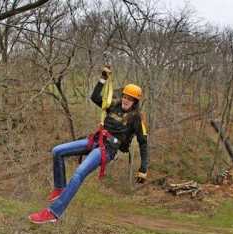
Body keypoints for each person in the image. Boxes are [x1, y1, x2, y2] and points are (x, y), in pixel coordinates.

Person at [29, 66, 149, 224]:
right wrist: (103, 79)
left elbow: (143, 143)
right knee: (57, 151)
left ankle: (53, 213)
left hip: (107, 150)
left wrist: (143, 169)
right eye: (126, 97)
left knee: (79, 173)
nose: (127, 100)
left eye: (131, 99)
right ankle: (59, 188)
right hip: (96, 140)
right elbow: (94, 97)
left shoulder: (136, 119)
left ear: (135, 102)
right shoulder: (113, 105)